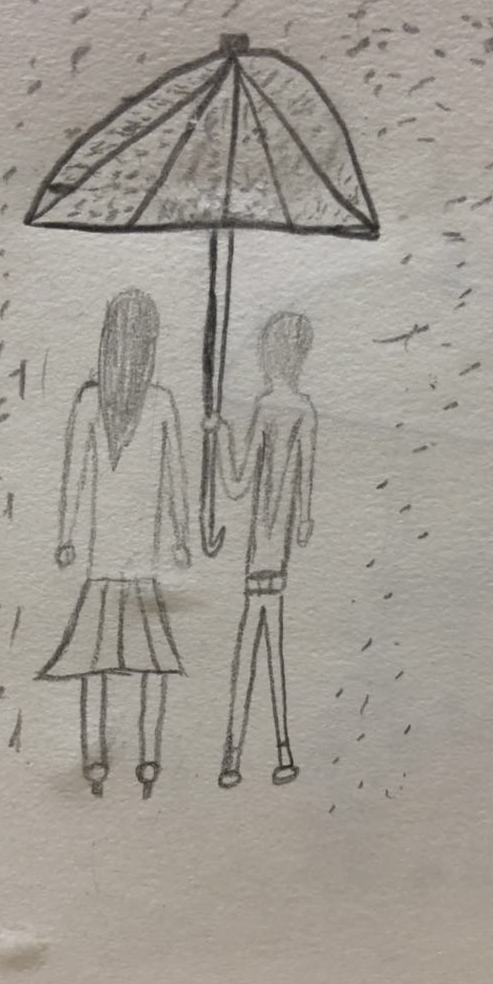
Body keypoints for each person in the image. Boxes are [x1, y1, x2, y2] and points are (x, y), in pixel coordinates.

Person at [38, 289, 190, 798]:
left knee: (95, 664)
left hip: (108, 560)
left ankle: (96, 762)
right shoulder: (152, 402)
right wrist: (181, 539)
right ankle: (147, 762)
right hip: (136, 560)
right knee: (150, 665)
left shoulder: (98, 401)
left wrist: (66, 537)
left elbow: (74, 478)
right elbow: (175, 479)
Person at [208, 310, 317, 789]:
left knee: (252, 650)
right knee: (271, 652)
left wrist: (218, 436)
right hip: (279, 555)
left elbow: (235, 484)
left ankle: (232, 756)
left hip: (259, 556)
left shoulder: (266, 407)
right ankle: (281, 751)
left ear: (272, 355)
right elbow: (306, 499)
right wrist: (302, 522)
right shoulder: (305, 411)